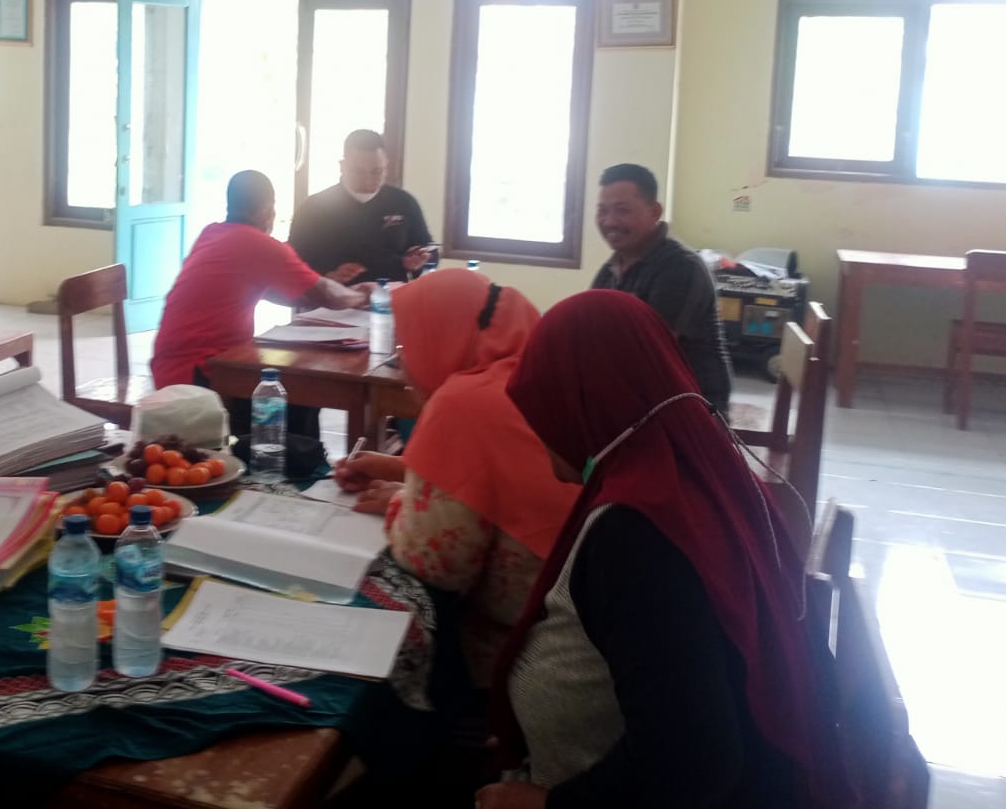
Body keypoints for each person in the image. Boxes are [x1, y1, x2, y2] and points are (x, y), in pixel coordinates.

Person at [476, 291, 844, 809]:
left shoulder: (635, 537)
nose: (539, 429)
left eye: (544, 405)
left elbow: (692, 762)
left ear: (583, 398)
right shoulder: (701, 470)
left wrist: (543, 804)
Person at [332, 270, 576, 680]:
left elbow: (435, 564)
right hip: (599, 628)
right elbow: (506, 477)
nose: (402, 361)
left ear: (442, 335)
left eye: (407, 343)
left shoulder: (465, 402)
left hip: (530, 654)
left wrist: (401, 501)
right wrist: (405, 470)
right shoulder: (535, 372)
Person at [150, 170, 368, 439]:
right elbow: (327, 295)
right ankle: (290, 460)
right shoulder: (257, 243)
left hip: (175, 363)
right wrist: (362, 295)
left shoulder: (213, 234)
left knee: (300, 390)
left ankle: (296, 457)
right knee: (303, 392)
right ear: (267, 209)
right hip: (198, 376)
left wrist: (325, 286)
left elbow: (286, 293)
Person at [591, 163, 732, 415]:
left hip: (688, 408)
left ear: (654, 212)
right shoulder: (611, 268)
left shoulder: (680, 267)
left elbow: (646, 356)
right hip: (639, 396)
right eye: (602, 210)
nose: (609, 221)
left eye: (622, 210)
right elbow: (588, 331)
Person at [288, 129, 434, 285]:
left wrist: (418, 263)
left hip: (391, 294)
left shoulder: (404, 202)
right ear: (342, 166)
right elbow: (293, 262)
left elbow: (429, 250)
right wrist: (327, 275)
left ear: (386, 166)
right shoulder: (313, 208)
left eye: (376, 171)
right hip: (334, 294)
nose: (368, 179)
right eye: (358, 172)